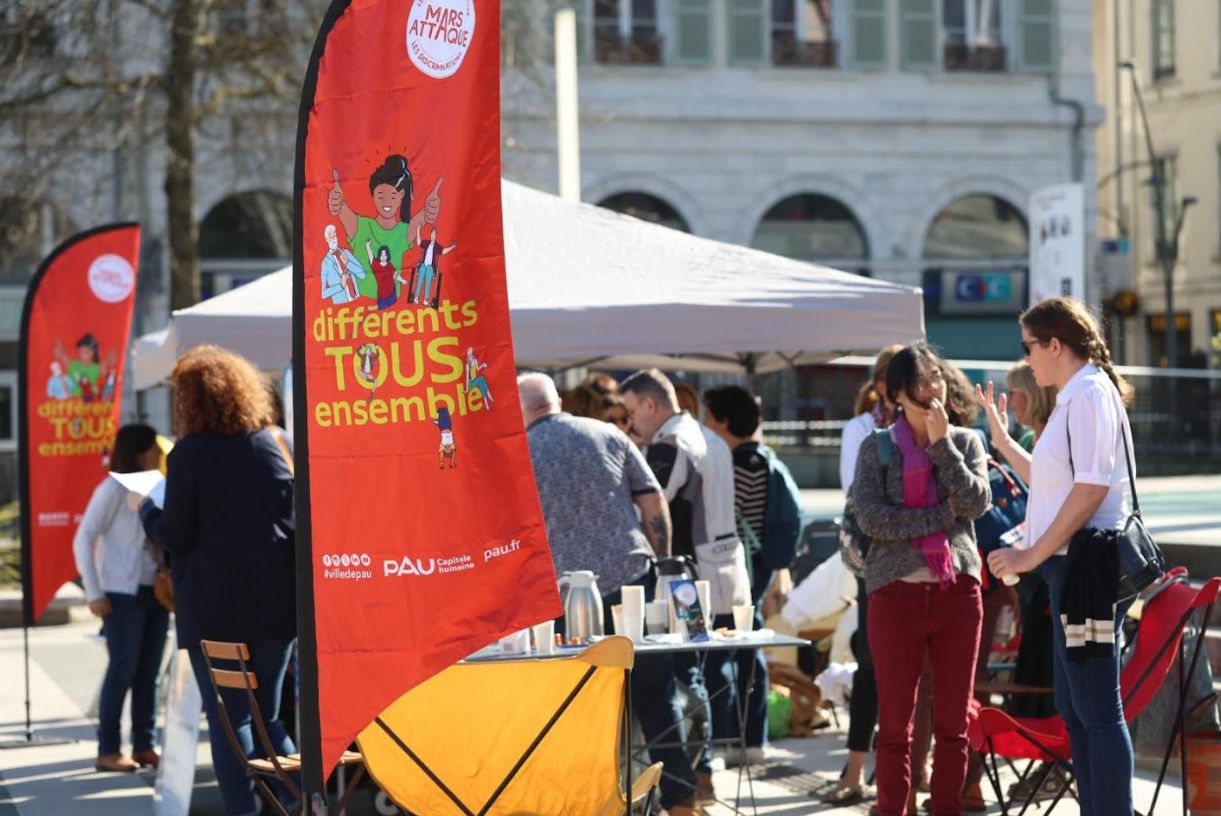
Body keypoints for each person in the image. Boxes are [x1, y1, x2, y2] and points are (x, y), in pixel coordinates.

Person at [517, 373, 705, 816]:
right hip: (630, 581)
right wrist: (661, 564)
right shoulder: (608, 434)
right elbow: (653, 504)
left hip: (561, 595)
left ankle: (588, 802)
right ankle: (680, 801)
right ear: (558, 400)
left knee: (575, 705)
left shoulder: (515, 452)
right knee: (655, 697)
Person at [981, 296, 1139, 816]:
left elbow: (1090, 490)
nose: (1026, 360)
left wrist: (1029, 556)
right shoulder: (1077, 393)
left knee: (1095, 711)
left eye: (1029, 347)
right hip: (1070, 569)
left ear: (1055, 344)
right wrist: (1003, 442)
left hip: (1085, 568)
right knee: (1076, 711)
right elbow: (1056, 486)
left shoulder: (1089, 393)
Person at [133, 346, 297, 816]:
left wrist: (147, 509)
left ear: (190, 400)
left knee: (232, 723)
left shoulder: (190, 454)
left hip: (217, 613)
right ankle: (302, 801)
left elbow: (176, 535)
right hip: (277, 608)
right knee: (265, 718)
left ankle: (248, 811)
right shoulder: (272, 441)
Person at [853, 342, 990, 816]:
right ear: (896, 394)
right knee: (894, 725)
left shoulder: (967, 442)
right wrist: (938, 517)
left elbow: (975, 506)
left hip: (957, 594)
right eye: (922, 380)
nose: (934, 388)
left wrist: (943, 447)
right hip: (894, 597)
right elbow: (871, 519)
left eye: (937, 377)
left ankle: (947, 807)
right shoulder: (877, 448)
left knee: (953, 724)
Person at [621, 369, 751, 801]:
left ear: (650, 405)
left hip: (686, 578)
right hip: (716, 570)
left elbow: (646, 500)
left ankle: (698, 775)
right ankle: (703, 772)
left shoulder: (672, 443)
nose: (628, 422)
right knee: (698, 670)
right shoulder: (705, 436)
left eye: (630, 411)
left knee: (686, 672)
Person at [702, 385, 803, 766]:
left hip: (737, 571)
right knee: (748, 649)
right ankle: (752, 741)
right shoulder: (765, 459)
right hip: (757, 570)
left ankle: (728, 741)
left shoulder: (740, 465)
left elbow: (726, 522)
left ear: (724, 420)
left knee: (724, 655)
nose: (705, 424)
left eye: (709, 416)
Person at [823, 344, 901, 806]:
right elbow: (860, 500)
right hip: (875, 565)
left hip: (920, 565)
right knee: (871, 667)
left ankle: (913, 767)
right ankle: (855, 770)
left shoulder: (934, 426)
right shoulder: (860, 429)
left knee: (912, 674)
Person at [73, 424, 169, 774]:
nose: (160, 453)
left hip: (154, 591)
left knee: (150, 672)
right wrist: (94, 592)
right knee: (123, 669)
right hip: (120, 594)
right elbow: (83, 538)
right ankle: (108, 749)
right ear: (140, 451)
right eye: (154, 447)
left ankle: (144, 744)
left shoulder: (158, 484)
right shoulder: (112, 489)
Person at [328, 154, 442, 303]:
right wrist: (337, 202)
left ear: (401, 195)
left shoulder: (403, 231)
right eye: (381, 196)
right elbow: (341, 210)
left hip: (394, 310)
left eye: (392, 196)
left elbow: (422, 218)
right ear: (373, 196)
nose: (386, 201)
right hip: (360, 311)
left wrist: (430, 209)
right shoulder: (361, 226)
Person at [1003, 360, 1057, 452]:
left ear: (1031, 394)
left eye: (1011, 393)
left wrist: (1002, 440)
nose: (1008, 401)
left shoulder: (1058, 442)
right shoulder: (1027, 440)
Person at [319, 224, 366, 305]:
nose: (333, 238)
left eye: (334, 235)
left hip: (356, 301)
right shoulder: (325, 262)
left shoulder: (346, 253)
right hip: (341, 306)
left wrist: (347, 263)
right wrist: (341, 285)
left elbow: (363, 275)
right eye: (331, 237)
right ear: (326, 240)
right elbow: (323, 294)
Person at [411, 223, 456, 305]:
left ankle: (426, 298)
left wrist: (452, 247)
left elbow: (443, 251)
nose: (432, 236)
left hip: (431, 268)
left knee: (428, 271)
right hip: (423, 265)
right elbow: (419, 242)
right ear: (430, 235)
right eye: (431, 234)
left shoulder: (437, 246)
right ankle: (416, 296)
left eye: (434, 235)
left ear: (436, 236)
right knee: (422, 270)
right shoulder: (426, 243)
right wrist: (418, 229)